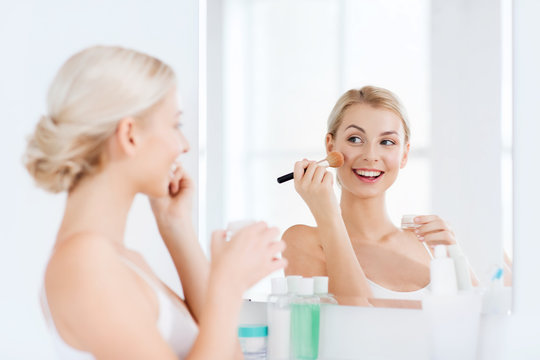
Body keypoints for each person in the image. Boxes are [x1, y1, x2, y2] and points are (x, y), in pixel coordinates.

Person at [24, 45, 286, 359]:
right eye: (175, 125)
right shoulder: (84, 264)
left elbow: (226, 352)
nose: (184, 145)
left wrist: (176, 226)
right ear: (130, 135)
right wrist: (228, 285)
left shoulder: (118, 259)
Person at [282, 86, 482, 308]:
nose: (370, 156)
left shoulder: (425, 241)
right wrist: (327, 216)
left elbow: (484, 318)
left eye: (387, 142)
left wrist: (454, 252)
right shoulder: (302, 241)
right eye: (355, 139)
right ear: (331, 146)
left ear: (404, 154)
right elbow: (359, 323)